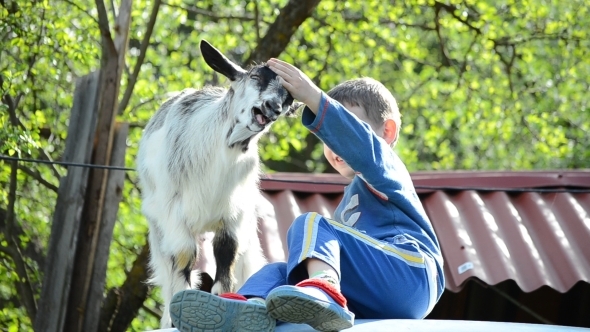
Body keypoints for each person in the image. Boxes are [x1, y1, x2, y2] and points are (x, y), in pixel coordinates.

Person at [169, 59, 445, 332]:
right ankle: (248, 308)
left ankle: (324, 288)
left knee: (312, 224)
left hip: (412, 272)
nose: (334, 146)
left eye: (344, 132)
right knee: (281, 271)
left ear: (386, 131)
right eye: (329, 140)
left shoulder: (387, 166)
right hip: (379, 293)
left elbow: (364, 149)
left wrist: (312, 96)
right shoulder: (352, 201)